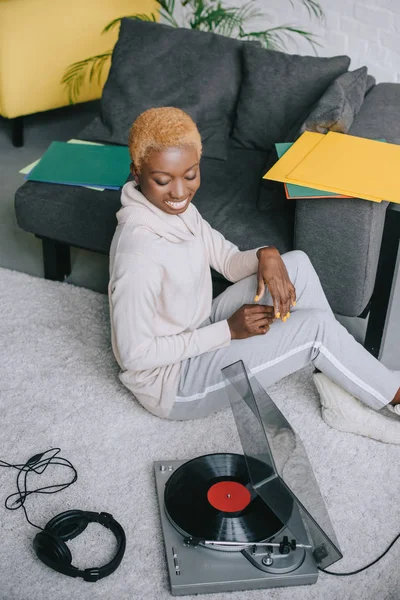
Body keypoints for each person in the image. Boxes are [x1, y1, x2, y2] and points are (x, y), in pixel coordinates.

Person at [108, 106, 400, 444]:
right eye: (162, 180)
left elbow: (229, 261)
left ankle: (342, 390)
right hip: (172, 383)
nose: (178, 192)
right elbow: (134, 355)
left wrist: (266, 255)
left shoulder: (180, 212)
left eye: (190, 175)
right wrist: (227, 331)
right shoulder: (138, 253)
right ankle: (393, 395)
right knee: (315, 330)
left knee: (297, 264)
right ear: (137, 172)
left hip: (197, 325)